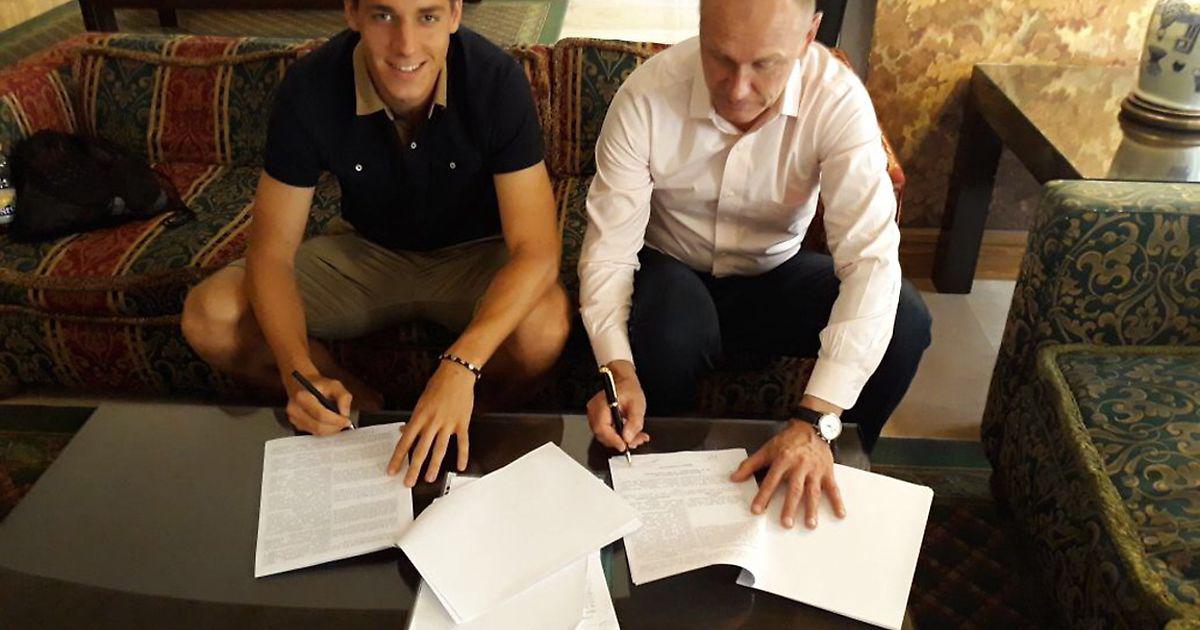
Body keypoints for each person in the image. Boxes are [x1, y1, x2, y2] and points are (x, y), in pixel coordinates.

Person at [181, 0, 569, 487]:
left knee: (545, 326)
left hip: (475, 256)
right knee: (211, 315)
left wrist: (460, 367)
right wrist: (298, 374)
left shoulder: (496, 79)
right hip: (366, 252)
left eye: (427, 17)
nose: (406, 45)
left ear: (454, 15)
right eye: (384, 16)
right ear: (353, 13)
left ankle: (466, 420)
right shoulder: (310, 85)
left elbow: (537, 250)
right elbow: (271, 253)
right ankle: (360, 414)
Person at [578, 0, 932, 530]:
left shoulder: (838, 100)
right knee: (670, 327)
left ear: (808, 35)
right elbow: (608, 253)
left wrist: (815, 418)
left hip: (776, 274)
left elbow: (871, 261)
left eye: (765, 64)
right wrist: (617, 370)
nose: (738, 90)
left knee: (907, 318)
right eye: (720, 58)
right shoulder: (646, 95)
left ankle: (832, 464)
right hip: (673, 268)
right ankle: (659, 484)